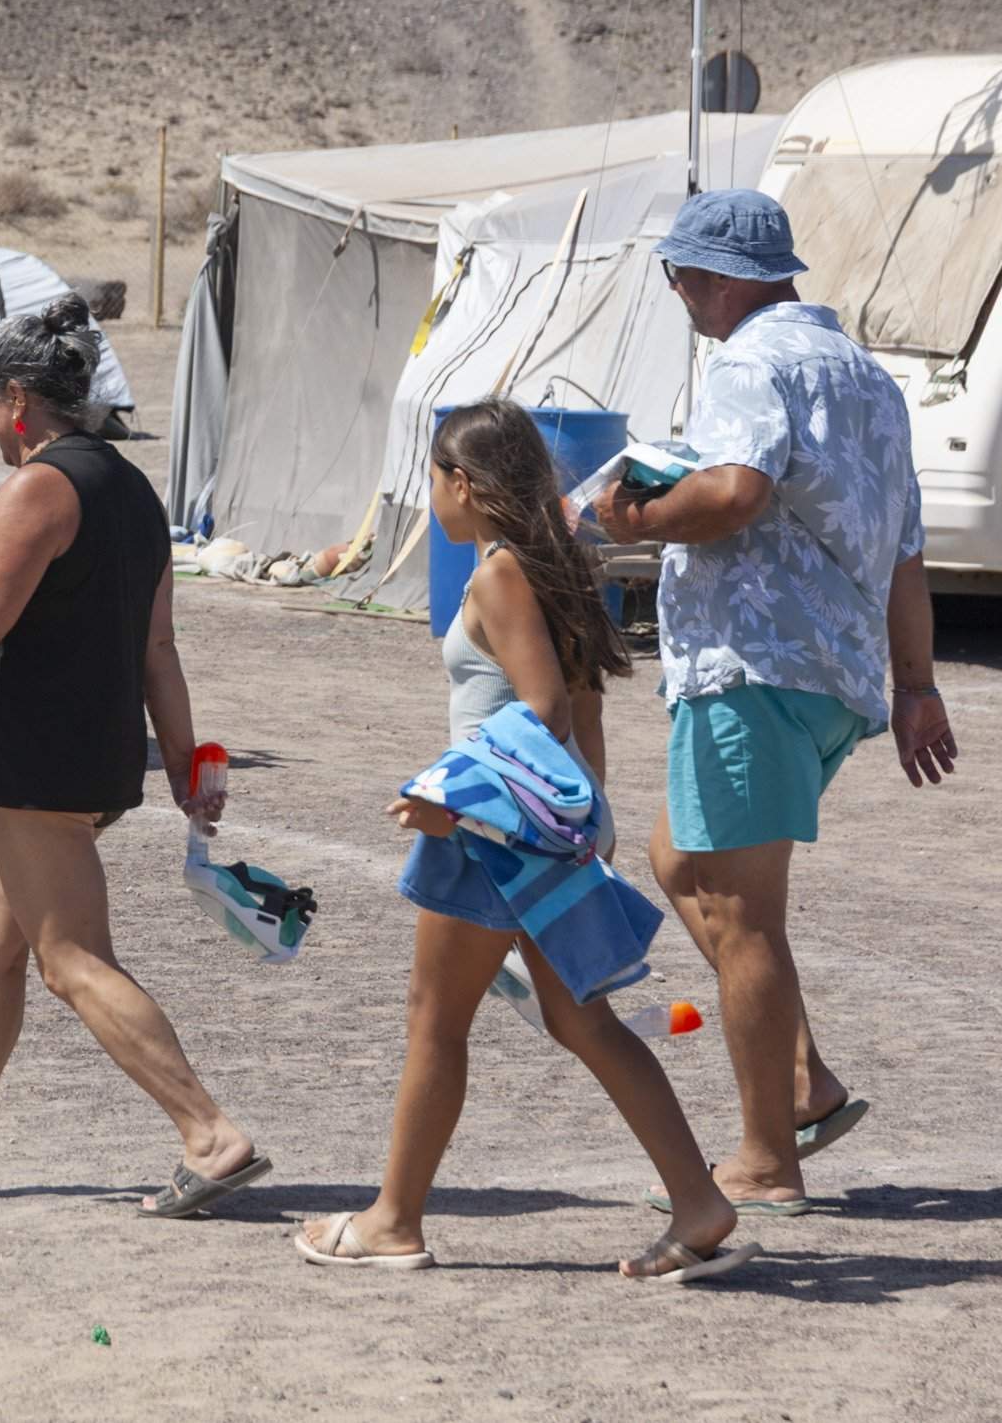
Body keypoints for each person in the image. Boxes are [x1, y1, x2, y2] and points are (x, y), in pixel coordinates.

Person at [0, 295, 270, 1219]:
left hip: (40, 760)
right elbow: (158, 649)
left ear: (19, 399)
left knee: (69, 959)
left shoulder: (38, 490)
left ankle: (209, 1133)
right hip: (82, 754)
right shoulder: (131, 489)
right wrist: (184, 763)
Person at [296, 400, 751, 1282]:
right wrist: (587, 823)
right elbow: (584, 716)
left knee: (436, 1020)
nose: (431, 494)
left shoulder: (500, 575)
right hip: (540, 827)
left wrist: (451, 798)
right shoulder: (548, 565)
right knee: (582, 1021)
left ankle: (392, 1221)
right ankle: (698, 1201)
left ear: (463, 484)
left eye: (434, 478)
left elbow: (543, 709)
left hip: (493, 832)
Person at [600, 188, 959, 1218]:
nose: (678, 296)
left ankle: (765, 1157)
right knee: (679, 859)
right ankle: (800, 1073)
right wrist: (915, 684)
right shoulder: (868, 378)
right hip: (831, 673)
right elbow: (905, 551)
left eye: (678, 278)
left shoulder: (750, 363)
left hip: (752, 667)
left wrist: (632, 517)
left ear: (715, 278)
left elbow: (734, 492)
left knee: (743, 910)